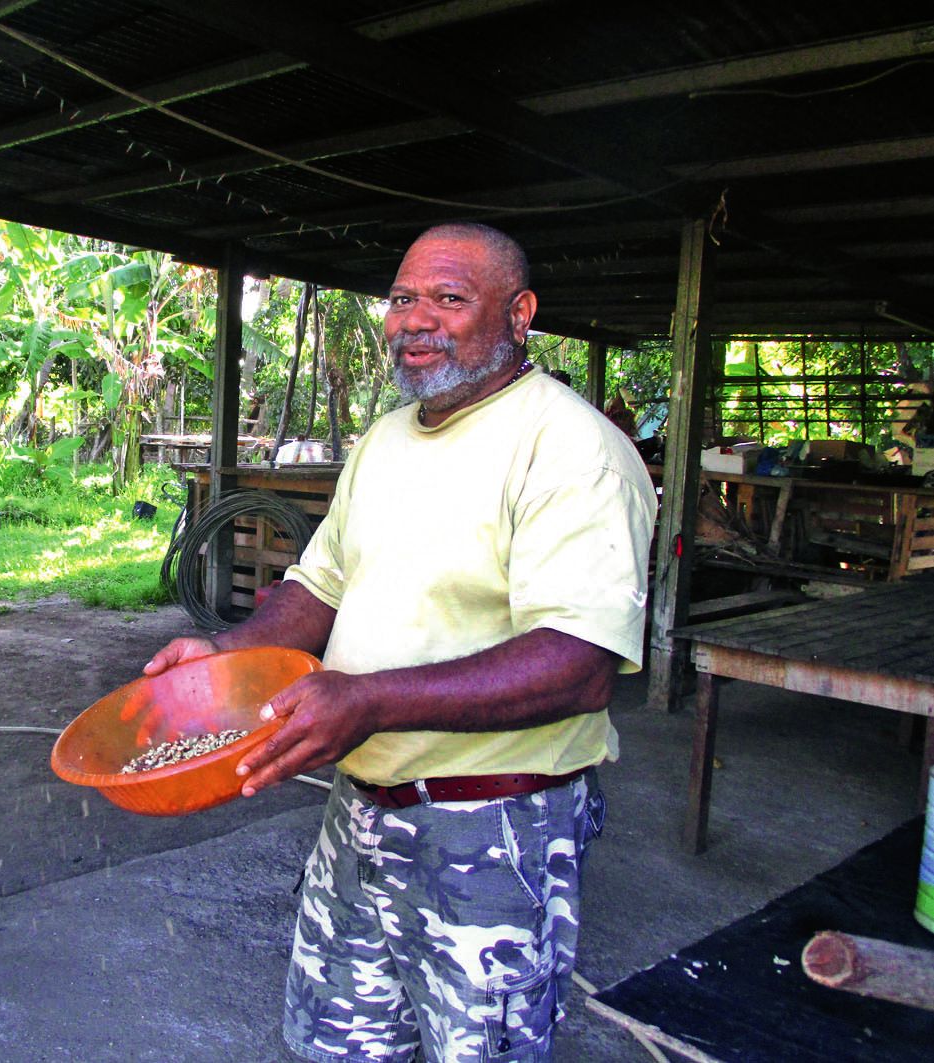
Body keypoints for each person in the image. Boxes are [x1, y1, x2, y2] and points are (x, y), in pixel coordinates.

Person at [144, 222, 657, 1062]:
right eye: (403, 298)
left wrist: (368, 699)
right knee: (330, 1044)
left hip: (494, 827)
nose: (415, 320)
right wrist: (231, 654)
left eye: (449, 299)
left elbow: (577, 666)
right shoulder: (385, 439)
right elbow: (318, 585)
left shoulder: (573, 451)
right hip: (360, 809)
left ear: (518, 313)